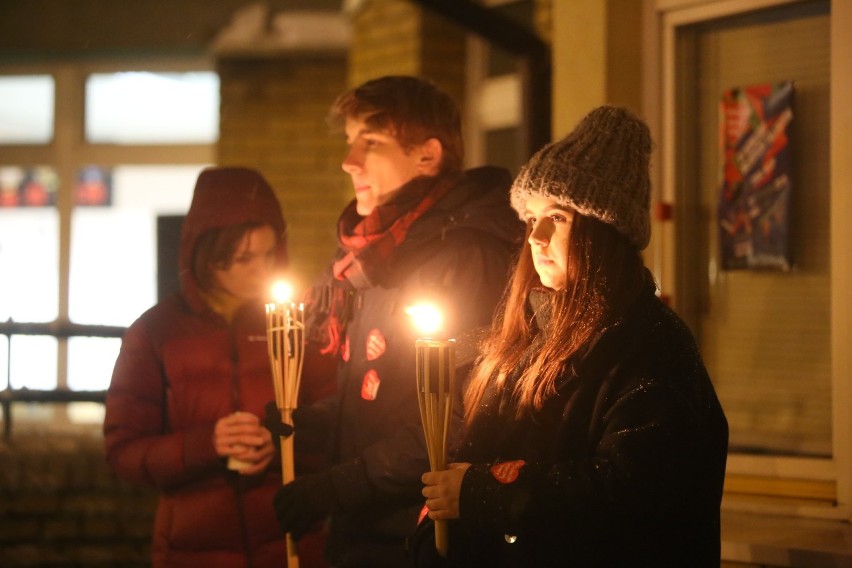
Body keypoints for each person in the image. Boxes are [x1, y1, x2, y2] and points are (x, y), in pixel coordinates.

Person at [417, 105, 729, 566]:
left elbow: (633, 490)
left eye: (559, 218)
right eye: (531, 219)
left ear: (604, 232)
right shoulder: (524, 335)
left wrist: (485, 493)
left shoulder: (651, 346)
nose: (536, 237)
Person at [270, 75, 523, 567]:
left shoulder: (465, 256)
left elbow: (456, 417)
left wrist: (337, 488)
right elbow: (382, 394)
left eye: (372, 143)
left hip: (422, 538)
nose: (350, 161)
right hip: (366, 533)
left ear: (427, 155)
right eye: (350, 142)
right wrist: (309, 423)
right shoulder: (376, 256)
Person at [103, 167, 327, 568]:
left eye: (269, 254)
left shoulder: (295, 328)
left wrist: (278, 445)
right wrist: (208, 444)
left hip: (291, 545)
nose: (262, 270)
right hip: (192, 551)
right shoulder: (155, 333)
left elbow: (335, 430)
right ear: (207, 256)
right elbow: (124, 452)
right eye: (244, 258)